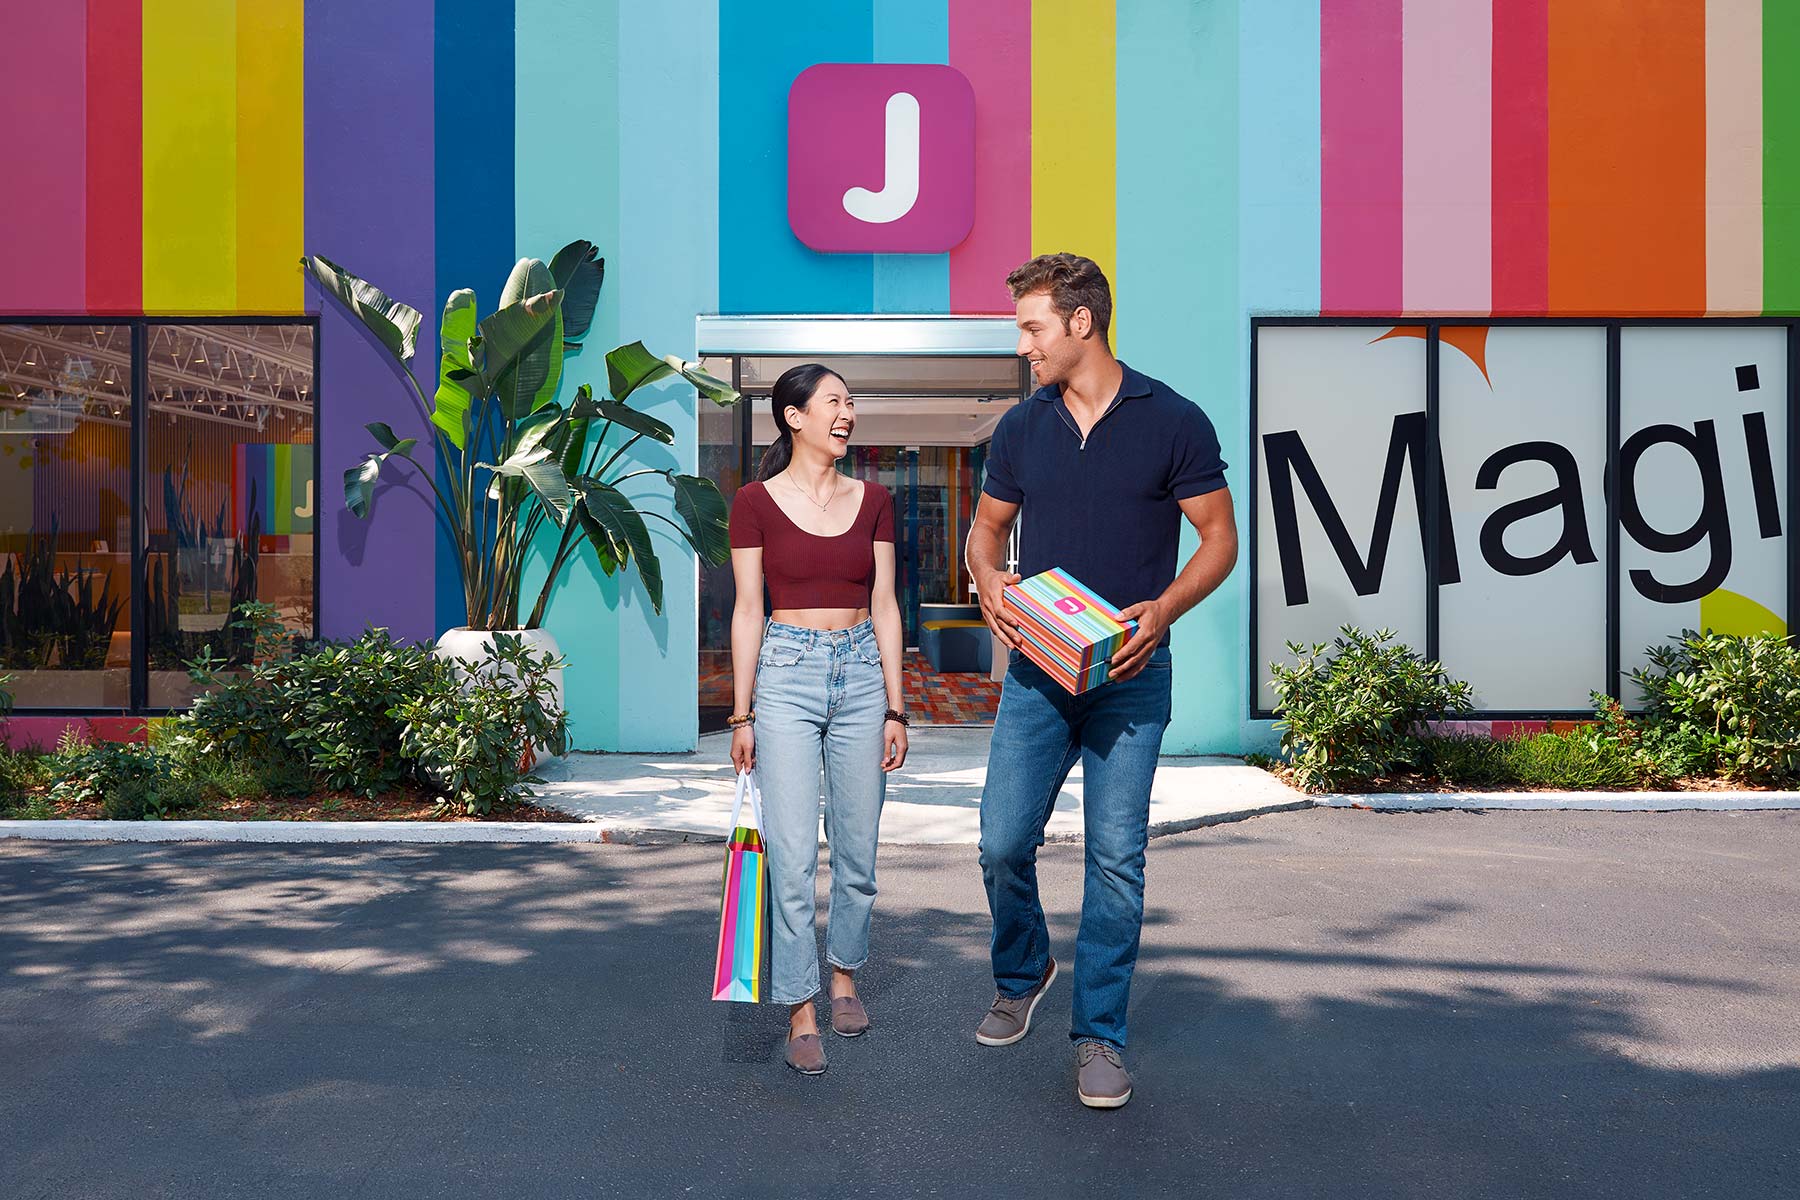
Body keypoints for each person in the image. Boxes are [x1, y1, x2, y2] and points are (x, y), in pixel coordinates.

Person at [965, 253, 1238, 1108]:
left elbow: (1221, 539)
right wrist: (987, 584)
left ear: (1081, 321)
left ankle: (1100, 1038)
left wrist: (1162, 612)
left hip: (1131, 674)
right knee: (1002, 842)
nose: (1024, 346)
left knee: (1116, 860)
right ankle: (1025, 970)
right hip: (1039, 675)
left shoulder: (1174, 420)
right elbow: (984, 533)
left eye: (1032, 326)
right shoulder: (1020, 428)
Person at [727, 363, 910, 1076]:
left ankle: (845, 975)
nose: (848, 413)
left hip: (863, 672)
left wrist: (898, 704)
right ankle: (802, 1007)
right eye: (834, 401)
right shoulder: (754, 502)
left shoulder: (874, 500)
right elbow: (748, 610)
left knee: (858, 853)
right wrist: (740, 715)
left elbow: (888, 605)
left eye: (851, 402)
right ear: (793, 417)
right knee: (794, 855)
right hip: (786, 675)